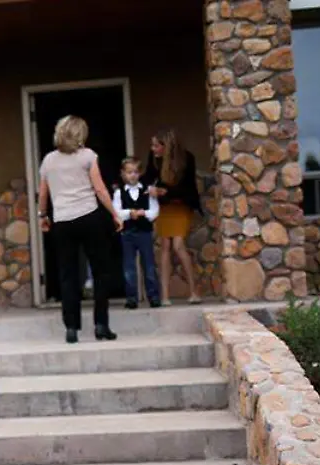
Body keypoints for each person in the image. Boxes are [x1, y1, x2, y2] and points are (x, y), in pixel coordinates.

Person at [37, 115, 124, 344]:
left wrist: (43, 216)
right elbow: (100, 189)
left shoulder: (48, 161)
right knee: (100, 271)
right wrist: (115, 213)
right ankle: (101, 325)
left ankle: (71, 328)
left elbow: (43, 193)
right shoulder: (88, 156)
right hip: (90, 217)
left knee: (68, 275)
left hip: (63, 221)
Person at [143, 129, 202, 305]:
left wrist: (164, 191)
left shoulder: (186, 158)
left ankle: (193, 291)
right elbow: (148, 177)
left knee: (177, 244)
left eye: (156, 145)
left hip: (181, 204)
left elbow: (187, 187)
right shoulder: (155, 159)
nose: (153, 149)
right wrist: (148, 188)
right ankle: (165, 296)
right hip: (165, 206)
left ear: (166, 146)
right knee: (165, 245)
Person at [111, 157, 161, 309]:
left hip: (144, 232)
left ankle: (153, 296)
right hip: (127, 234)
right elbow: (116, 211)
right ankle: (131, 297)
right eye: (129, 172)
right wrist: (129, 213)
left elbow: (154, 211)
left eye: (135, 172)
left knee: (149, 265)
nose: (132, 175)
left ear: (139, 174)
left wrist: (143, 213)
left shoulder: (147, 191)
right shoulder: (119, 193)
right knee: (129, 266)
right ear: (123, 174)